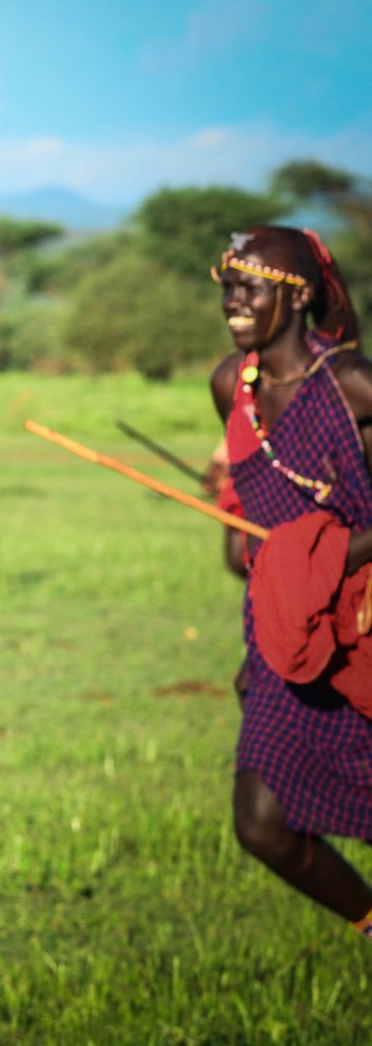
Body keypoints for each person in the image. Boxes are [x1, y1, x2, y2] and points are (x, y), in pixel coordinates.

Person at [210, 226, 372, 942]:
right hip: (282, 633)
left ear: (299, 296)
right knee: (261, 825)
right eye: (228, 288)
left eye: (250, 287)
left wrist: (316, 560)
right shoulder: (229, 387)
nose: (233, 302)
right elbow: (247, 524)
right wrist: (251, 552)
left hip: (361, 623)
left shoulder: (354, 387)